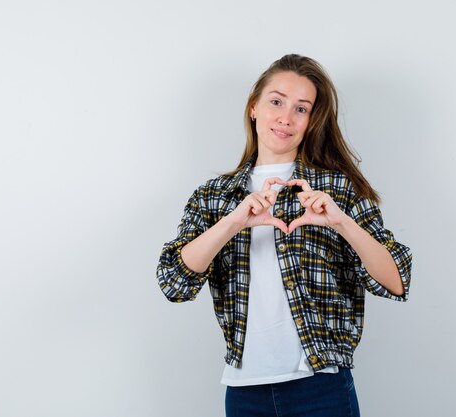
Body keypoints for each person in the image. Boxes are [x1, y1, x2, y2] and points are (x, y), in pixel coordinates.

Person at [156, 54, 413, 417]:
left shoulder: (334, 189)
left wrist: (341, 223)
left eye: (301, 109)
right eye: (276, 101)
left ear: (311, 121)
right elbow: (174, 283)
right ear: (254, 107)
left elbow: (397, 281)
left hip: (321, 387)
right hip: (246, 395)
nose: (286, 117)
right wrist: (234, 222)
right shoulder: (214, 197)